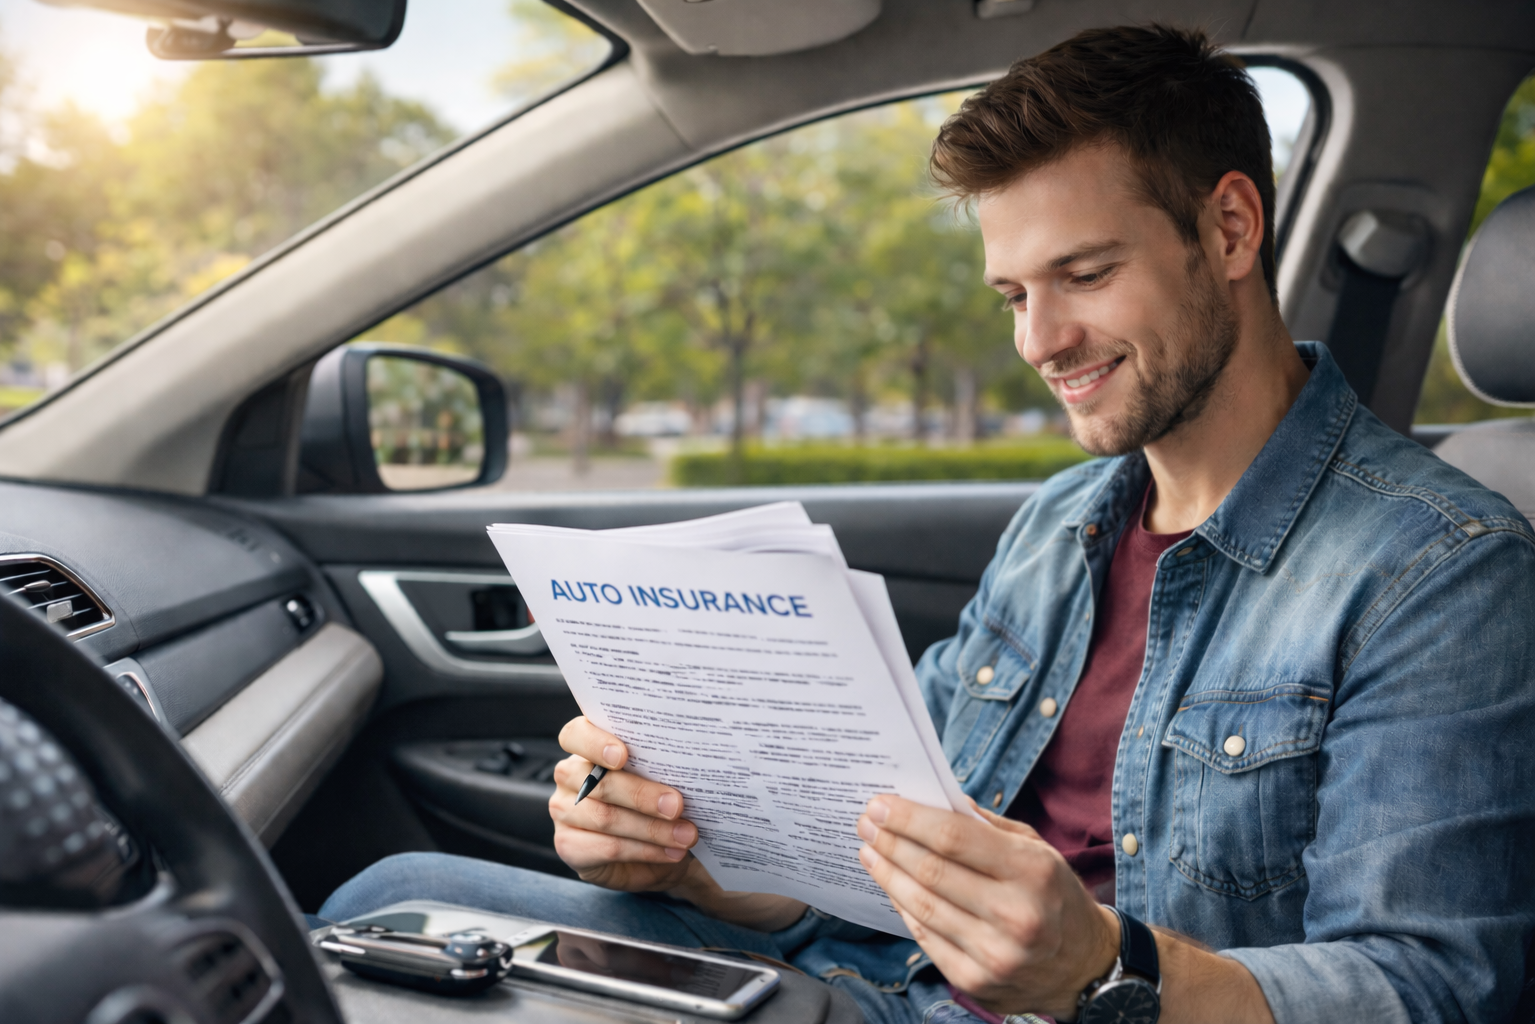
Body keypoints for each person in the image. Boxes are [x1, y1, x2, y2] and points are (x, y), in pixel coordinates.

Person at [320, 25, 1535, 1024]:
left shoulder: (1440, 572)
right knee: (391, 898)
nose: (1040, 341)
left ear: (1228, 229)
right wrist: (703, 870)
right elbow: (886, 865)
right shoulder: (1061, 524)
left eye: (1086, 274)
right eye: (1014, 293)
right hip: (882, 982)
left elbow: (1433, 990)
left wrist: (1104, 969)